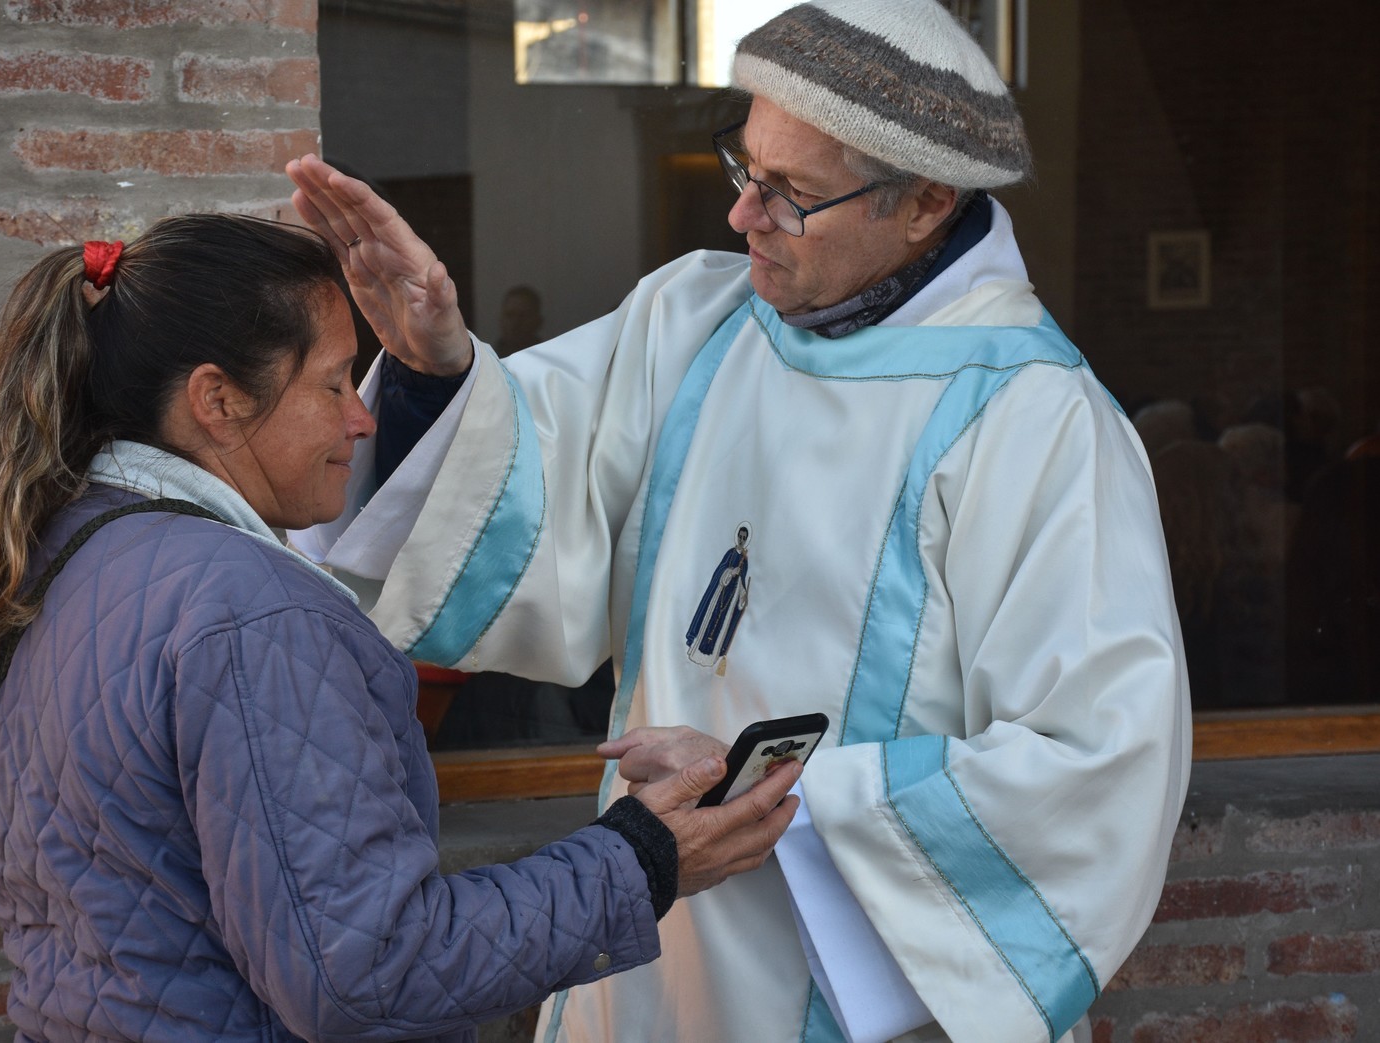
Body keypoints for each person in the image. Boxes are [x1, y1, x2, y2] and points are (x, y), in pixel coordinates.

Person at [286, 1, 1192, 1039]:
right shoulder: (696, 323)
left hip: (856, 989)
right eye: (745, 167)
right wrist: (436, 367)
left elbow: (1097, 766)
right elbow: (523, 503)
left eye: (789, 193)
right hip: (653, 955)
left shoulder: (1034, 423)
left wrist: (775, 794)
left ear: (926, 201)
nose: (740, 215)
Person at [0, 213, 802, 1042]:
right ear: (217, 400)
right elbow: (367, 971)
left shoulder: (65, 550)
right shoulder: (252, 612)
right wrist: (642, 857)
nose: (361, 417)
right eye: (333, 382)